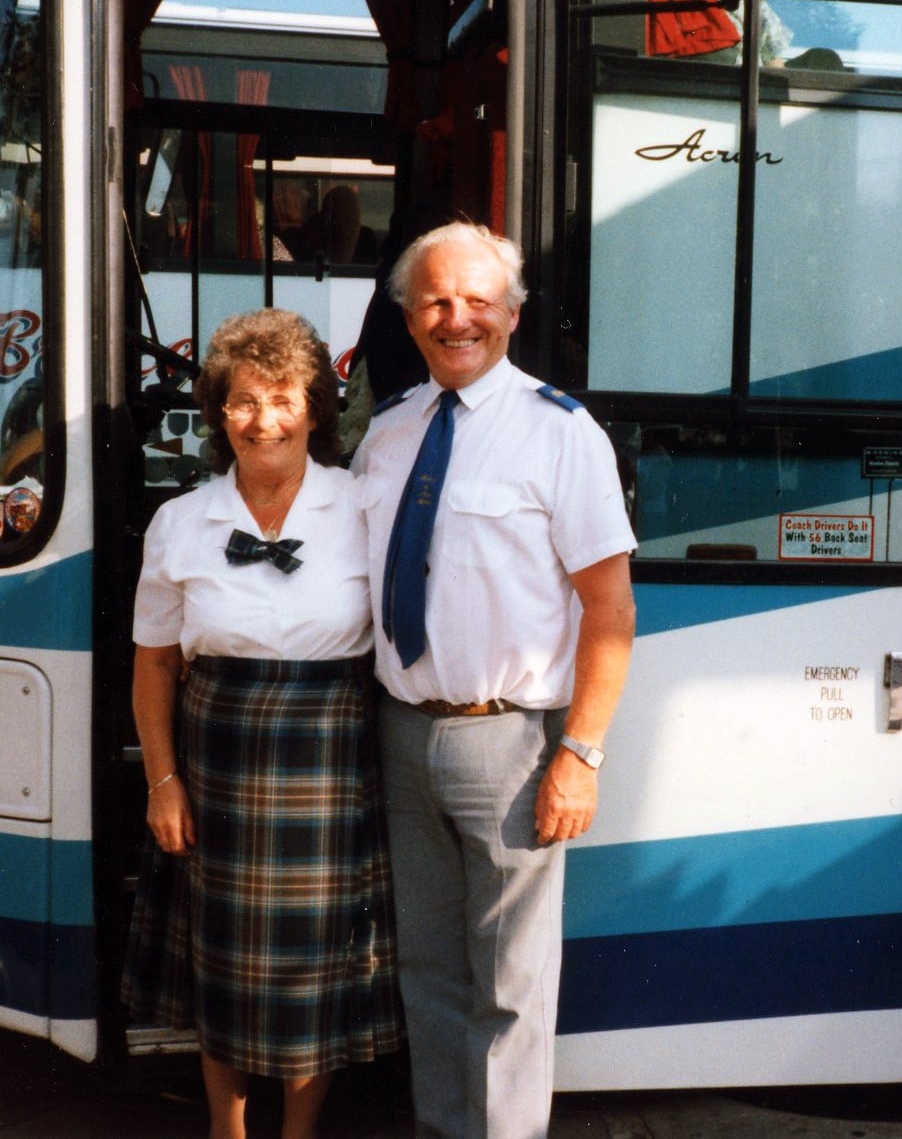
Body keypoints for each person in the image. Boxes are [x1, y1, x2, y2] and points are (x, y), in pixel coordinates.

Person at [353, 221, 637, 1139]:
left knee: (511, 987)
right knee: (429, 973)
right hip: (401, 736)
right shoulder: (389, 434)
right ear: (407, 315)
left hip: (511, 744)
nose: (456, 318)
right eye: (436, 300)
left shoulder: (562, 434)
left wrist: (580, 756)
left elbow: (611, 611)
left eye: (479, 301)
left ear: (513, 315)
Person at [120, 308, 404, 1139]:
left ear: (315, 409)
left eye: (282, 397)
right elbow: (156, 665)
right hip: (218, 759)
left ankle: (299, 1131)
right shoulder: (181, 523)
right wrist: (162, 782)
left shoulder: (364, 507)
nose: (262, 419)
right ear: (219, 414)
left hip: (331, 758)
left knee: (313, 969)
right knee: (225, 969)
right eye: (242, 400)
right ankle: (228, 1130)